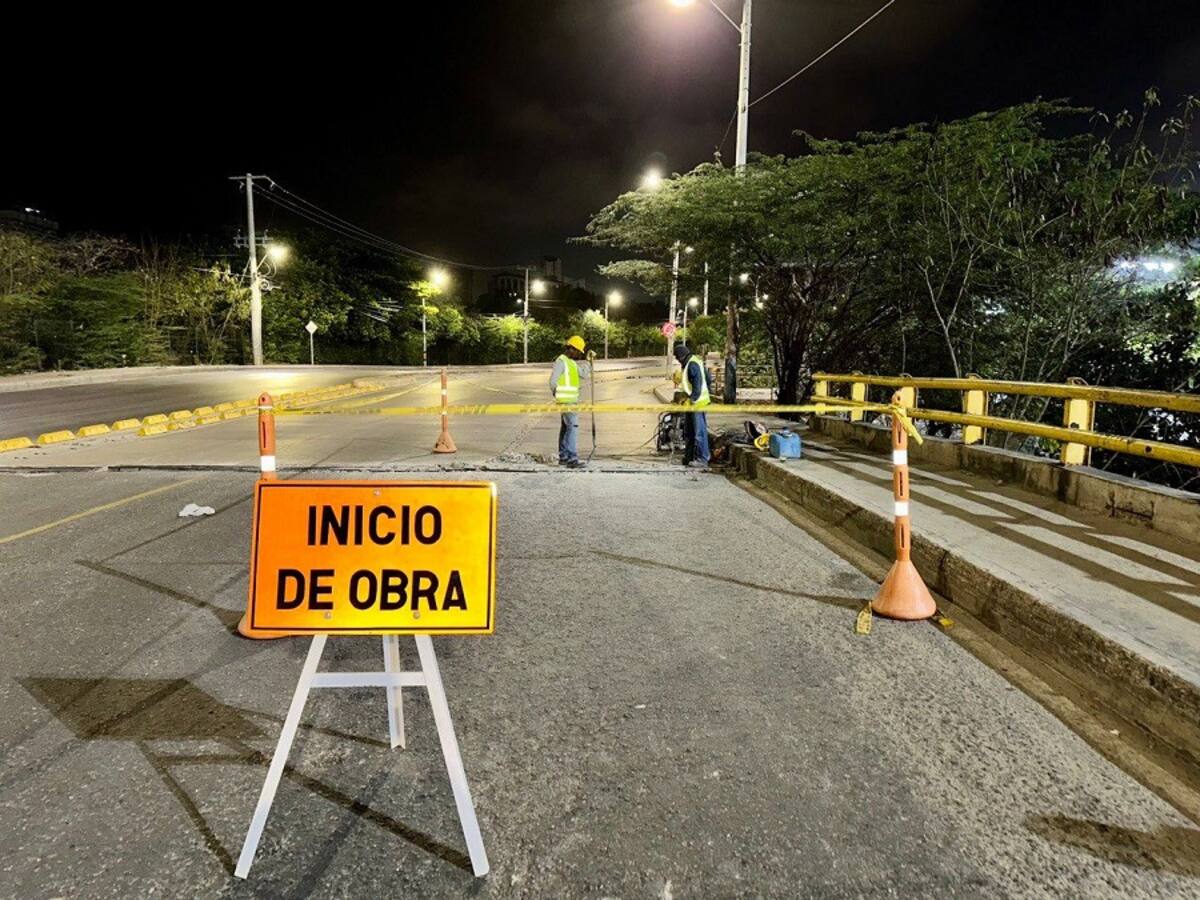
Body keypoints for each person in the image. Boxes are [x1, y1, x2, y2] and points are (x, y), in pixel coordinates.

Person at [551, 335, 588, 467]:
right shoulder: (561, 361)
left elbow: (583, 374)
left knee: (566, 428)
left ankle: (564, 457)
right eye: (578, 351)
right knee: (573, 427)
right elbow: (553, 381)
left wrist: (589, 361)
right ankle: (572, 458)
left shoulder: (571, 363)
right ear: (571, 348)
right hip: (566, 401)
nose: (579, 354)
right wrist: (558, 396)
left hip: (570, 401)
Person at [673, 342, 711, 468]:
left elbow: (698, 384)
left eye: (678, 358)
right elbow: (709, 379)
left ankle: (702, 459)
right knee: (688, 431)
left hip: (697, 403)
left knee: (699, 432)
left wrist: (692, 399)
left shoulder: (692, 364)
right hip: (692, 403)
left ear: (681, 356)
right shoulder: (691, 362)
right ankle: (689, 457)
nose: (678, 361)